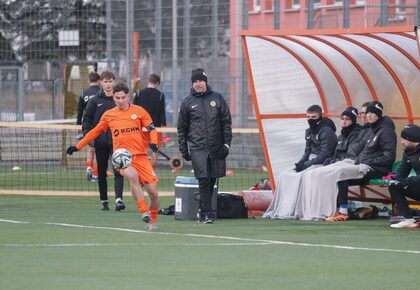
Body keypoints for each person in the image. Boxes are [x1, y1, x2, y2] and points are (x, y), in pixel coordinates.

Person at [67, 82, 160, 231]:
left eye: (123, 97)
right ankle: (143, 211)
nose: (120, 101)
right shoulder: (109, 115)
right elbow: (95, 131)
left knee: (154, 194)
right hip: (122, 158)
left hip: (141, 157)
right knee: (133, 176)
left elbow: (152, 129)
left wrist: (154, 143)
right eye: (117, 98)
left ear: (128, 97)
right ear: (114, 98)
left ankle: (152, 220)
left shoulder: (139, 111)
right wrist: (77, 146)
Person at [177, 68, 232, 224]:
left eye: (200, 81)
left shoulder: (218, 98)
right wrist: (184, 149)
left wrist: (227, 144)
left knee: (213, 179)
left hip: (216, 147)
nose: (198, 84)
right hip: (197, 148)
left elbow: (226, 123)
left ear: (205, 82)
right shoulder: (188, 102)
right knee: (204, 179)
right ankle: (208, 213)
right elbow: (182, 128)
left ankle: (202, 209)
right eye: (195, 81)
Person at [325, 101, 397, 221]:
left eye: (372, 113)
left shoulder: (386, 131)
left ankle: (343, 212)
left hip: (378, 169)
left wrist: (367, 162)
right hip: (365, 165)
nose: (368, 115)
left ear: (379, 114)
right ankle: (338, 209)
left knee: (341, 175)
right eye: (367, 113)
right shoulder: (373, 129)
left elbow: (389, 158)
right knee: (337, 176)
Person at [263, 104, 337, 219]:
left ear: (320, 116)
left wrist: (306, 165)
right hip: (312, 161)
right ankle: (285, 209)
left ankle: (300, 209)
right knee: (285, 174)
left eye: (313, 117)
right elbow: (307, 152)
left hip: (323, 162)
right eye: (308, 117)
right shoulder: (308, 132)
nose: (310, 120)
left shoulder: (327, 131)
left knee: (302, 175)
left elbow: (325, 154)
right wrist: (300, 163)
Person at [82, 71, 125, 211]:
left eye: (110, 81)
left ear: (114, 82)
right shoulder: (94, 100)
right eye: (105, 81)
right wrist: (88, 136)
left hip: (117, 142)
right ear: (101, 82)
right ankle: (104, 201)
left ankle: (119, 200)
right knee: (101, 173)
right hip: (100, 143)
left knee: (119, 170)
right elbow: (87, 120)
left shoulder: (119, 99)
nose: (108, 84)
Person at [389, 124, 420, 229]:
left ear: (413, 140)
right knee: (394, 185)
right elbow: (402, 172)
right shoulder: (408, 152)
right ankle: (407, 219)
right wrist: (394, 179)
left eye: (405, 139)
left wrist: (407, 181)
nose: (402, 142)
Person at [133, 73, 166, 167]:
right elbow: (162, 113)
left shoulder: (139, 93)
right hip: (155, 128)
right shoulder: (160, 95)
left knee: (142, 151)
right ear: (157, 83)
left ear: (148, 81)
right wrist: (164, 128)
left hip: (141, 127)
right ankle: (151, 173)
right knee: (154, 150)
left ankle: (143, 172)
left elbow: (134, 109)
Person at [76, 71, 101, 182]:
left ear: (89, 80)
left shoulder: (83, 93)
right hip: (99, 124)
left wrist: (78, 126)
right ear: (99, 81)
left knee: (91, 148)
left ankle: (88, 168)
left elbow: (79, 112)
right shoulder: (101, 92)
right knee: (98, 150)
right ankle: (95, 174)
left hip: (87, 124)